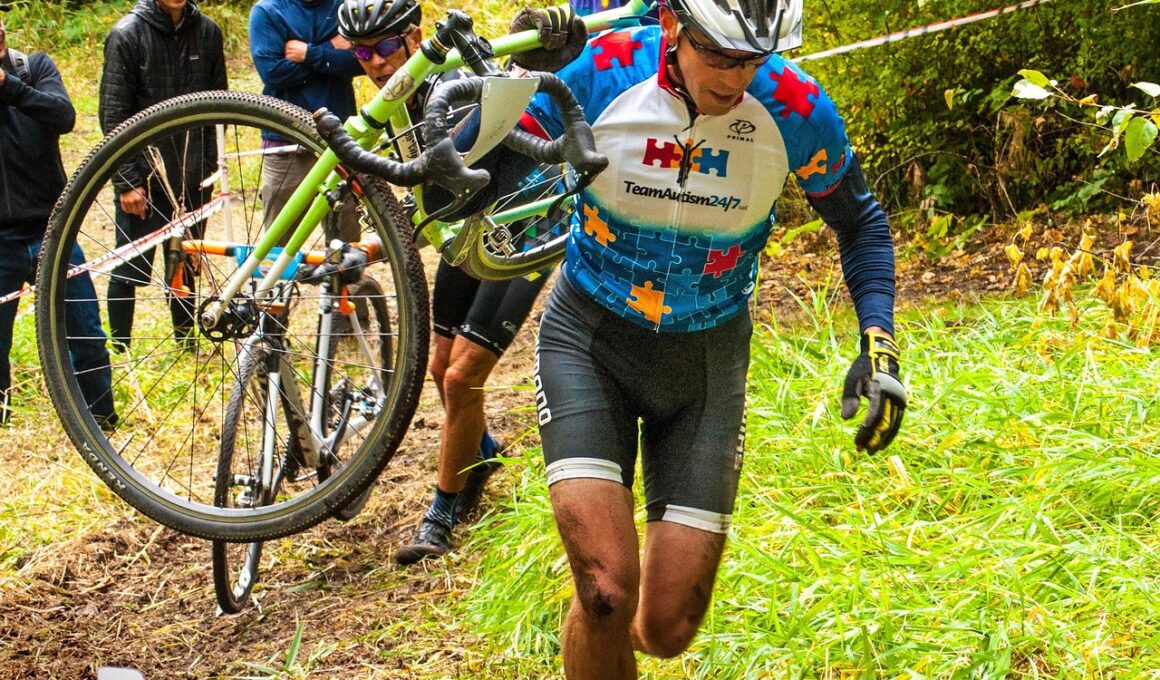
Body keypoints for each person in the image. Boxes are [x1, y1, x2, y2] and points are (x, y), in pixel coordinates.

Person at [510, 0, 907, 676]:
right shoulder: (602, 70)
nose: (735, 78)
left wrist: (880, 341)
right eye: (719, 54)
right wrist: (520, 81)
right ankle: (596, 610)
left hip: (706, 360)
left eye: (753, 59)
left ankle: (594, 629)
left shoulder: (795, 106)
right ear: (671, 24)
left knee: (667, 629)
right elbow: (461, 176)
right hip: (590, 339)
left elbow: (860, 223)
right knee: (607, 591)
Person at [336, 0, 556, 565]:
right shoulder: (396, 104)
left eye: (386, 47)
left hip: (522, 226)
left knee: (461, 378)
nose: (376, 63)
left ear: (414, 39)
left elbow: (451, 188)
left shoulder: (451, 87)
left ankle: (441, 514)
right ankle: (481, 455)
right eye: (362, 53)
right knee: (440, 366)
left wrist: (377, 242)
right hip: (467, 228)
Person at [0, 2, 116, 427]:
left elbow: (64, 116)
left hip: (53, 231)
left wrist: (9, 87)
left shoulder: (33, 68)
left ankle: (101, 418)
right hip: (0, 243)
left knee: (85, 330)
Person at [98, 0, 227, 352]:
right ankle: (119, 347)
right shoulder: (126, 35)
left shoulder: (208, 32)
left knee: (186, 259)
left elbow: (220, 106)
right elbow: (113, 115)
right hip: (145, 173)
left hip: (193, 171)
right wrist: (127, 181)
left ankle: (186, 342)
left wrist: (211, 167)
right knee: (129, 264)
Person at [250, 0, 364, 242]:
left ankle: (343, 269)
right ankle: (280, 271)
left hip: (339, 140)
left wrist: (308, 54)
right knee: (279, 240)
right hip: (285, 141)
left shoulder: (343, 7)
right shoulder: (268, 11)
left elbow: (361, 61)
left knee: (347, 241)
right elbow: (273, 73)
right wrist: (331, 49)